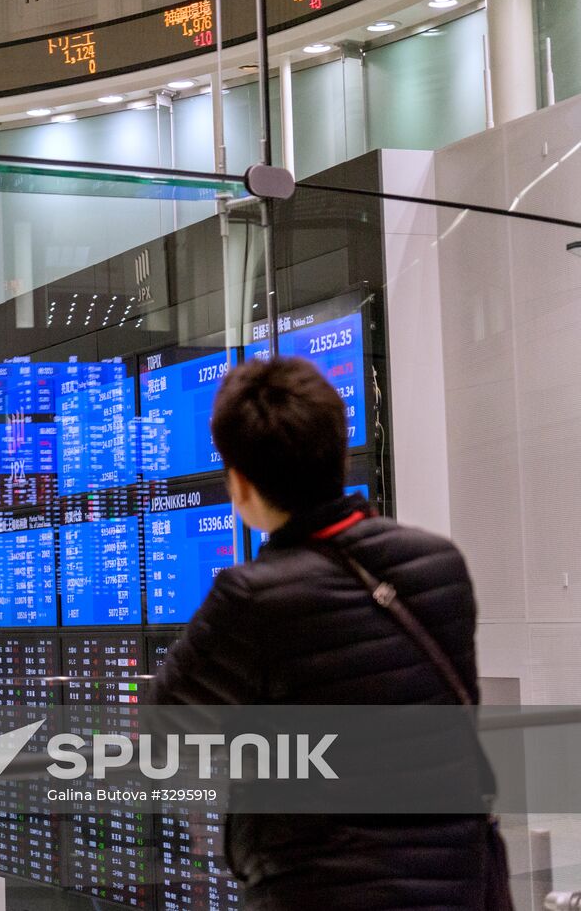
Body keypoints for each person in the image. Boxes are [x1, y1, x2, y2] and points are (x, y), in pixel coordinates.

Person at [150, 356, 494, 910]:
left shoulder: (253, 598)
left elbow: (166, 725)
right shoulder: (440, 564)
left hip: (316, 889)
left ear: (240, 484)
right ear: (337, 446)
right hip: (455, 881)